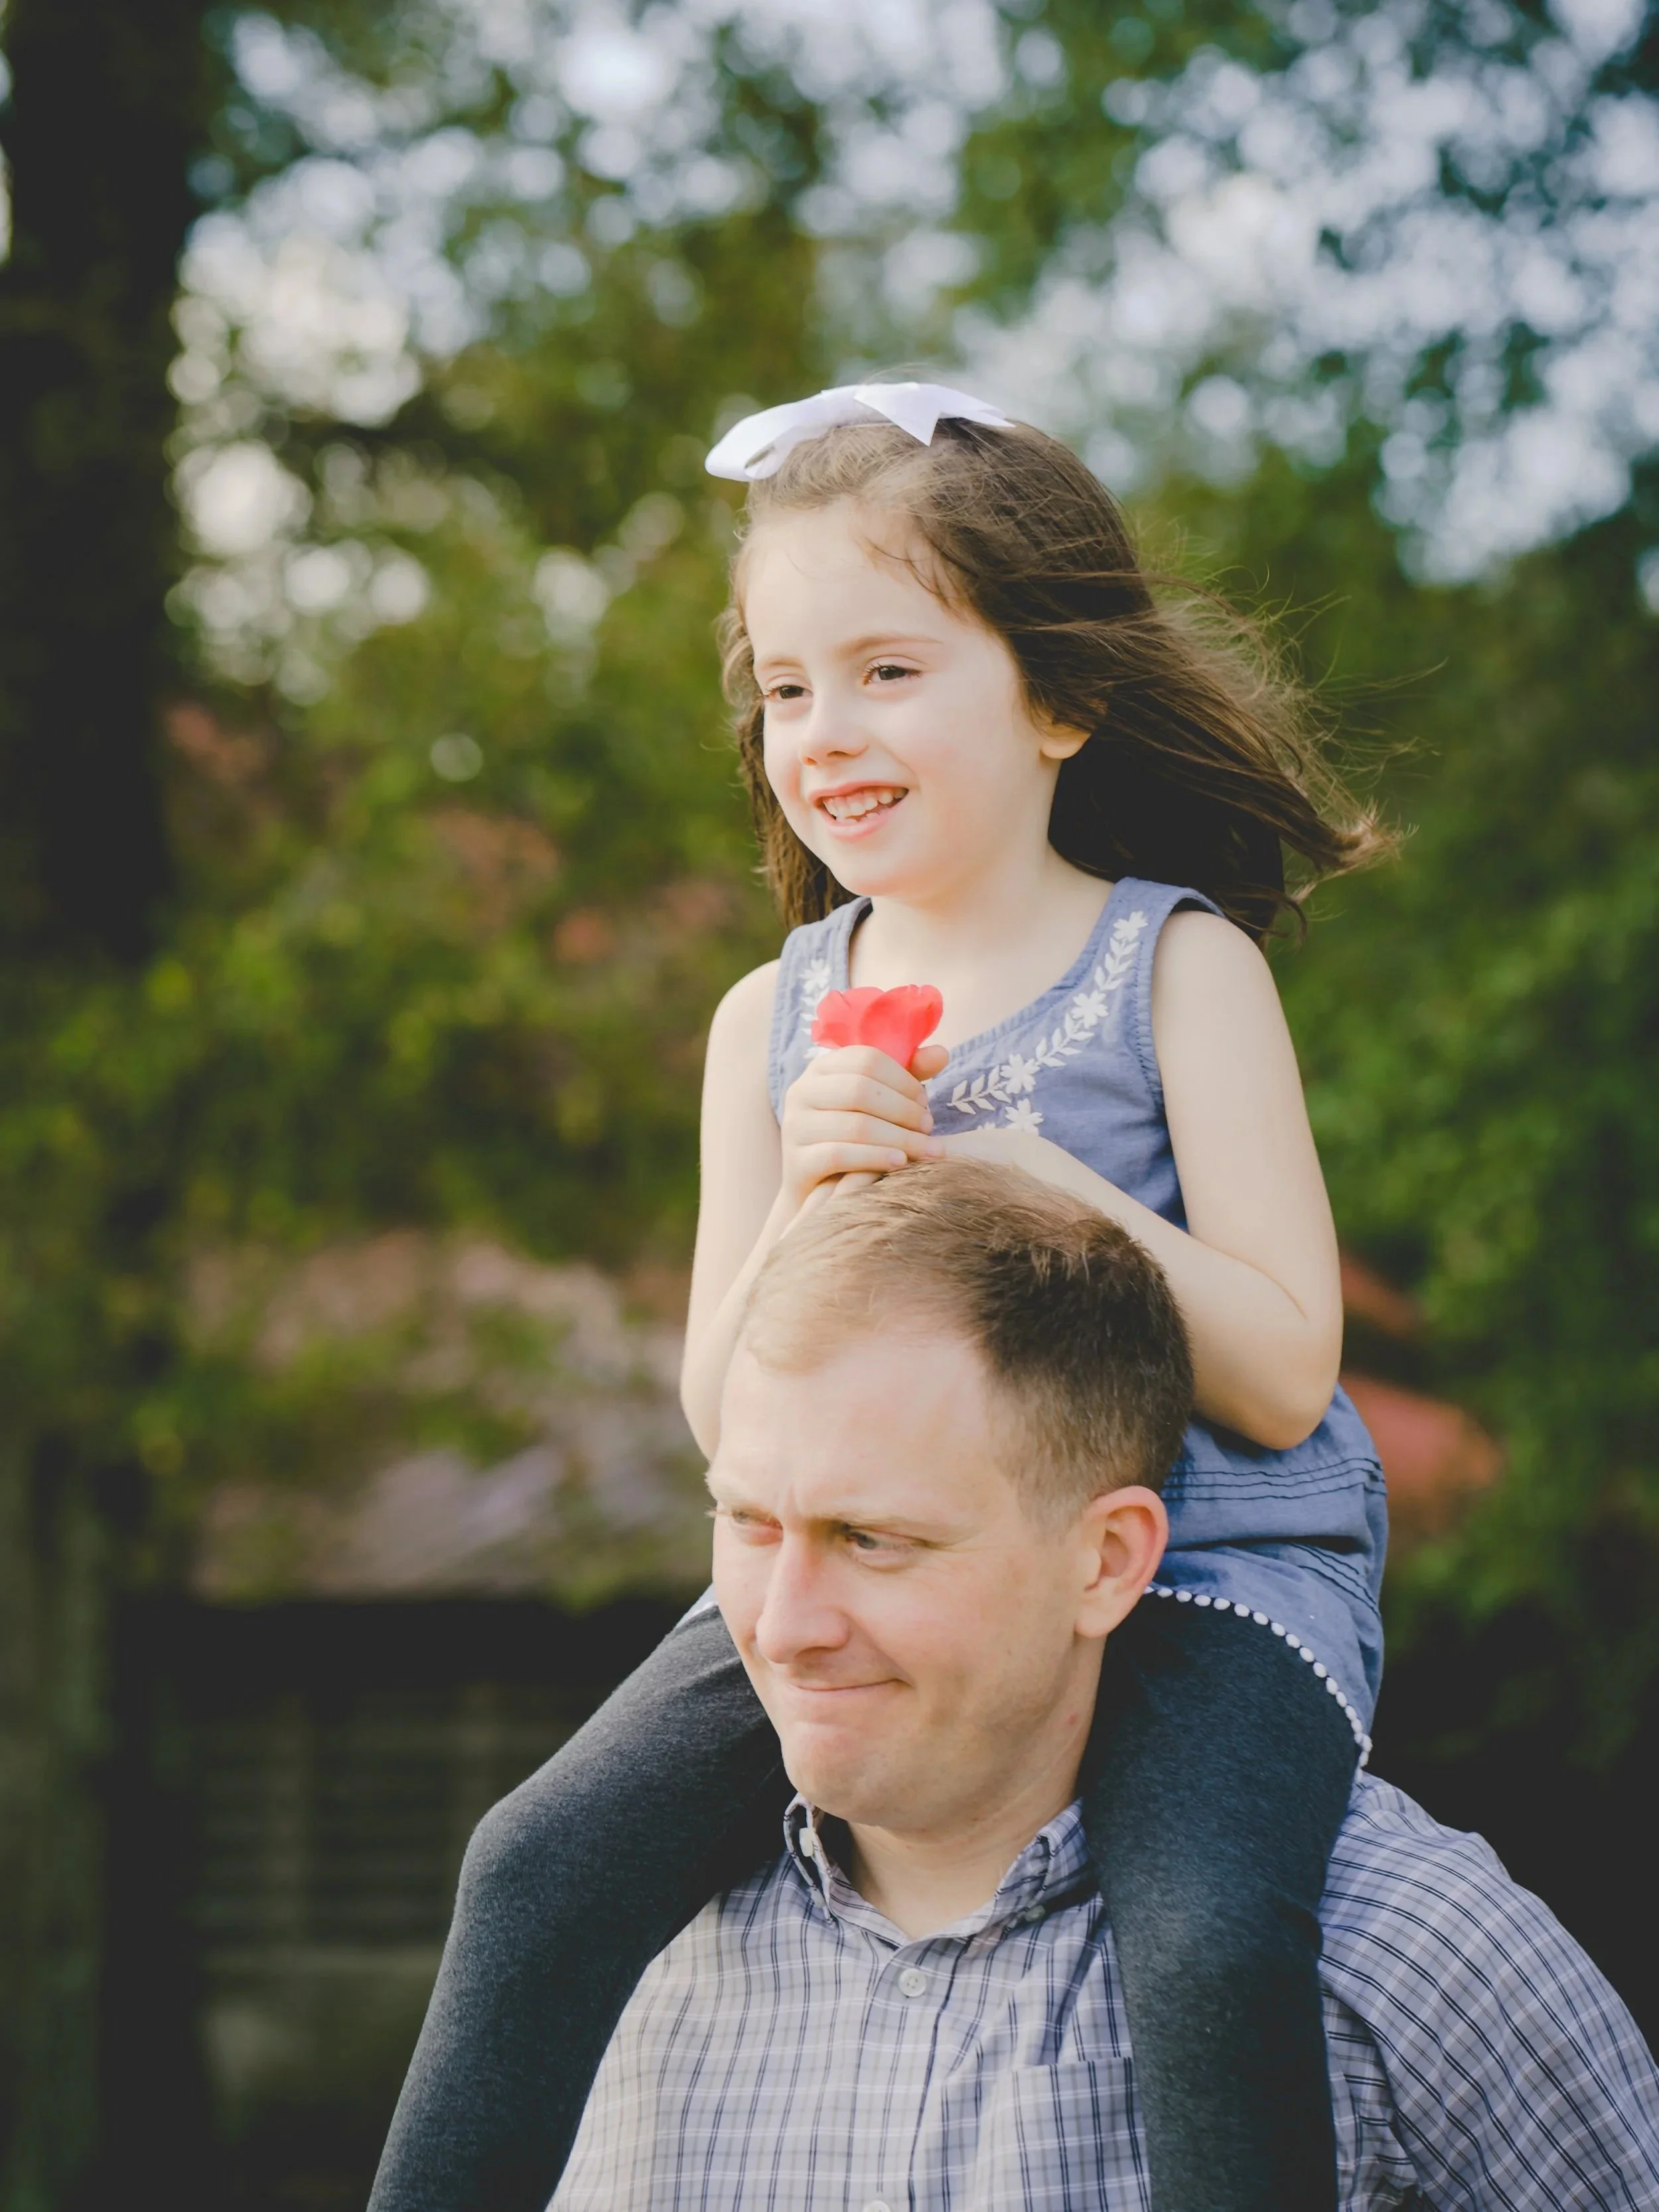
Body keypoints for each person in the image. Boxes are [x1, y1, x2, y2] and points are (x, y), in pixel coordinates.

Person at [372, 382, 1397, 2211]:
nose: (821, 729)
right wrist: (814, 1203)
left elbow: (1278, 1366)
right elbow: (721, 1405)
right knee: (529, 1866)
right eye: (783, 687)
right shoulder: (765, 1027)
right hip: (854, 1557)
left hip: (1204, 1571)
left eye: (887, 671)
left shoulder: (1174, 968)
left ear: (1059, 699)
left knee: (1208, 1944)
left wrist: (1045, 1185)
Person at [549, 1159, 1659, 2208]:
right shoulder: (611, 1959)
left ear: (1108, 1560)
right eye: (747, 1522)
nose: (784, 1629)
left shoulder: (1411, 1953)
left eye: (872, 1540)